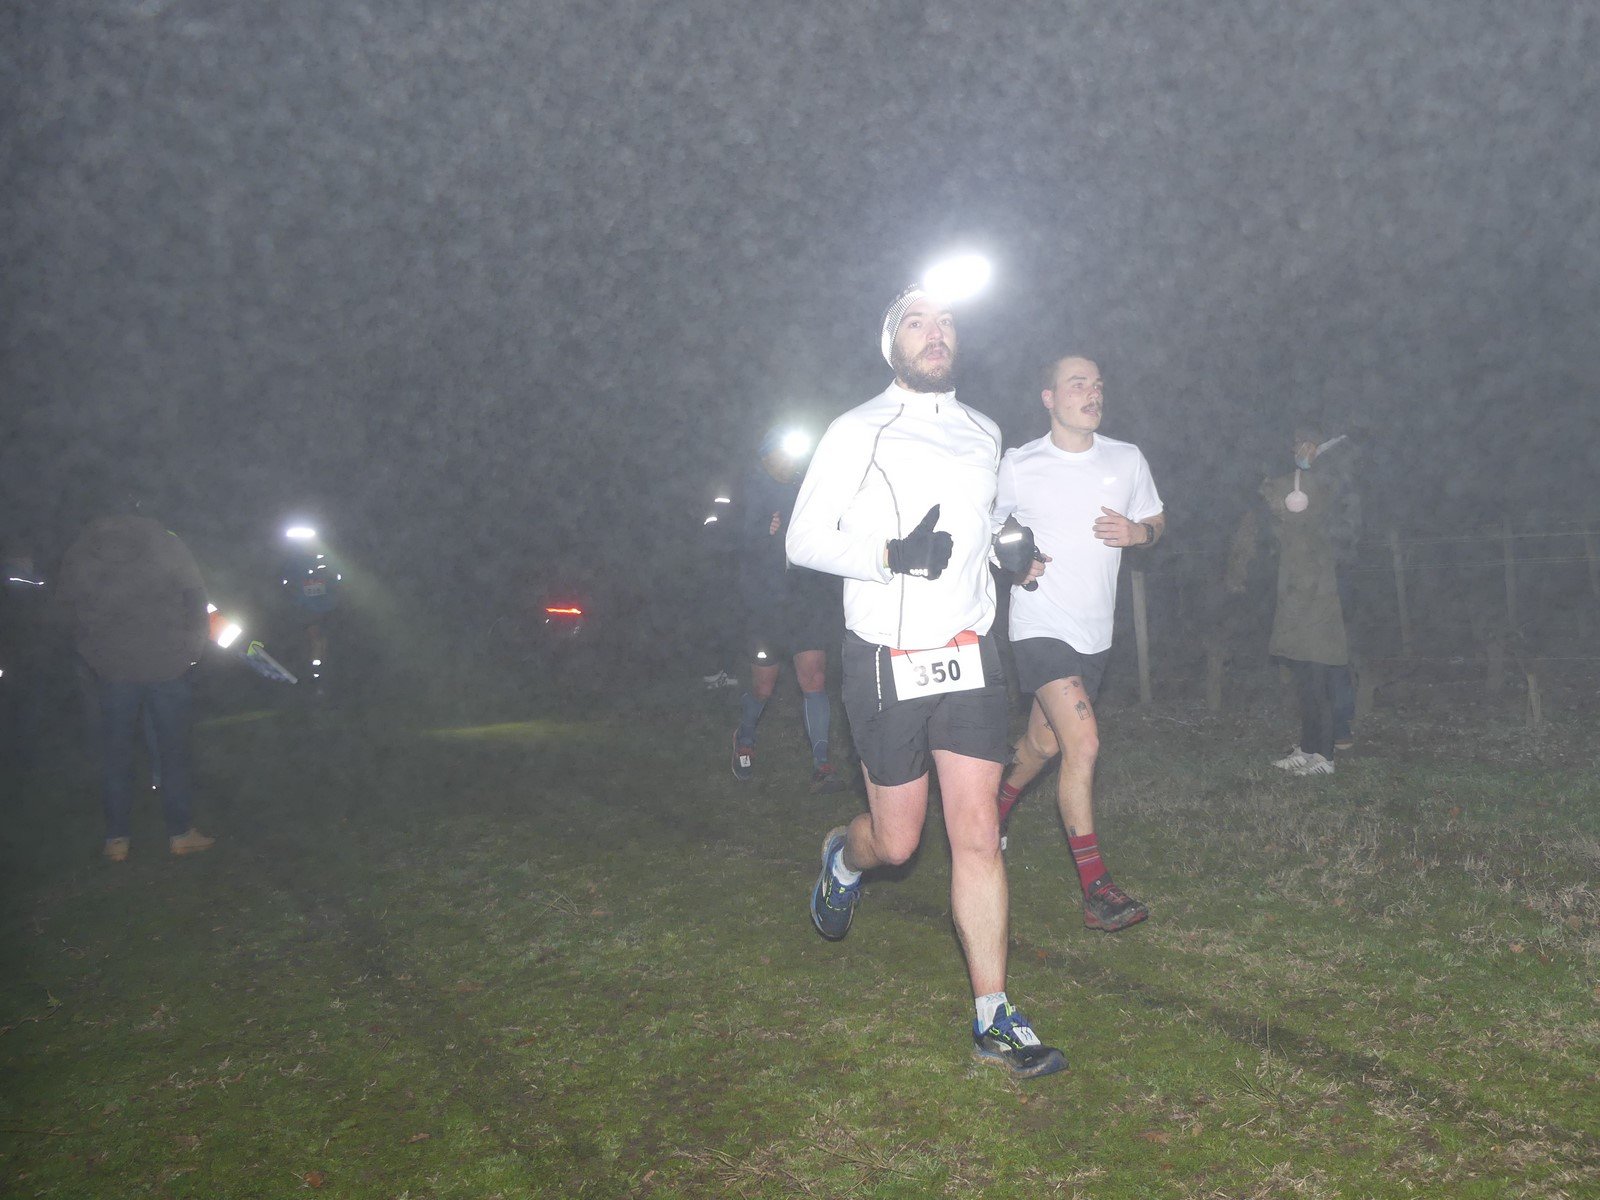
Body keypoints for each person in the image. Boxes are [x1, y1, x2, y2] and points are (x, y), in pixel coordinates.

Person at [786, 283, 1064, 1080]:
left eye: (946, 321)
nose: (936, 332)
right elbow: (804, 539)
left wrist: (1013, 553)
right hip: (887, 657)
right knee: (899, 842)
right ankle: (846, 859)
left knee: (977, 831)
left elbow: (981, 525)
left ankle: (994, 1016)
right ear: (893, 344)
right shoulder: (858, 429)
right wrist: (889, 556)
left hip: (971, 653)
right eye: (918, 321)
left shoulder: (983, 430)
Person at [992, 355, 1164, 933]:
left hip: (1095, 633)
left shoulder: (1126, 458)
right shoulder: (1019, 464)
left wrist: (1139, 532)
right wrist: (1014, 561)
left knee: (1042, 743)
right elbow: (987, 528)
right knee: (1083, 743)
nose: (1093, 393)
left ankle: (991, 810)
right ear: (1049, 398)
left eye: (1098, 385)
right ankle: (1096, 890)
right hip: (1040, 623)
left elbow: (1156, 519)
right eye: (1078, 384)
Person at [55, 499, 215, 861]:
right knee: (173, 751)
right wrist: (191, 649)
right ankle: (180, 833)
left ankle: (117, 839)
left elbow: (66, 607)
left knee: (115, 754)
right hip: (167, 663)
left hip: (112, 669)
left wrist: (92, 653)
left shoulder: (83, 548)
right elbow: (195, 595)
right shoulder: (165, 541)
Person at [1227, 426, 1358, 776]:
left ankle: (1325, 757)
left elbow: (1329, 480)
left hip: (1319, 604)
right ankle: (1309, 747)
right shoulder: (1288, 527)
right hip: (1296, 604)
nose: (1270, 501)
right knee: (1304, 682)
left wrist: (1313, 462)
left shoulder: (1318, 513)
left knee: (1319, 680)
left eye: (1276, 496)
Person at [729, 426, 846, 792]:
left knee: (814, 679)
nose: (788, 462)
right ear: (766, 456)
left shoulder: (806, 489)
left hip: (805, 603)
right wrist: (760, 530)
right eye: (781, 454)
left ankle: (822, 763)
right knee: (763, 687)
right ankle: (745, 738)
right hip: (765, 608)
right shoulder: (747, 490)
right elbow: (726, 541)